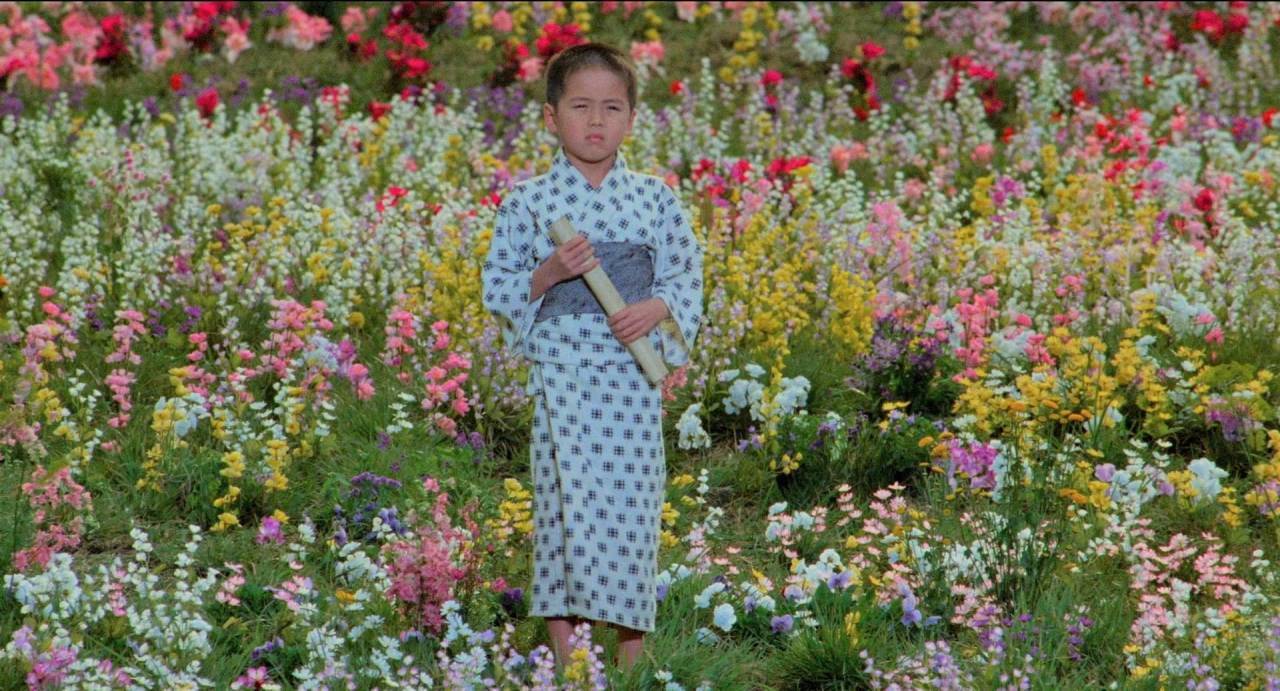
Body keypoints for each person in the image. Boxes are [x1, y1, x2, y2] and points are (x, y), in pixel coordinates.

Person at [480, 42, 703, 671]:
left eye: (611, 107)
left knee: (632, 512)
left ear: (631, 117)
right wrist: (550, 271)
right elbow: (499, 288)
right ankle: (570, 664)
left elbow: (686, 277)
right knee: (562, 511)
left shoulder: (655, 199)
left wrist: (655, 309)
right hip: (563, 380)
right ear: (551, 117)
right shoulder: (528, 202)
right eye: (580, 107)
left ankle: (629, 664)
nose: (596, 121)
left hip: (630, 380)